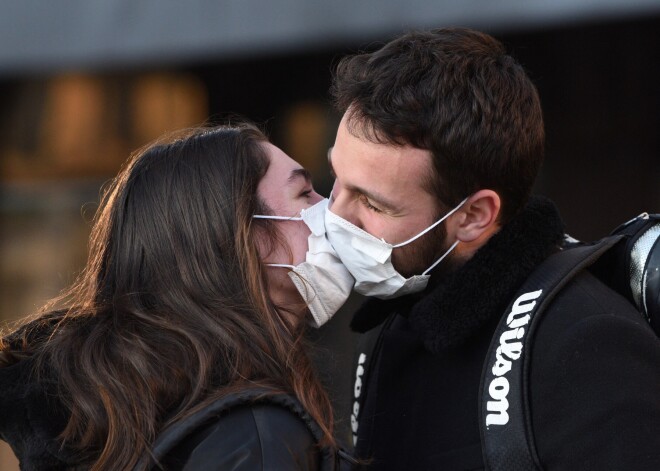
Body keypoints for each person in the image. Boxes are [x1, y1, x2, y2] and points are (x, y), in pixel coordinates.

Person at [325, 27, 660, 469]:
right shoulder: (397, 322)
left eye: (371, 202)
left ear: (474, 215)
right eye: (337, 180)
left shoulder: (588, 344)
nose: (335, 215)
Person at [0, 124, 355, 470]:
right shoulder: (254, 437)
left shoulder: (123, 414)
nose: (332, 208)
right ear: (240, 237)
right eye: (305, 193)